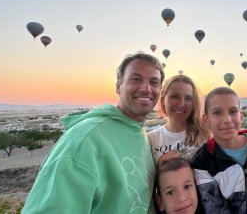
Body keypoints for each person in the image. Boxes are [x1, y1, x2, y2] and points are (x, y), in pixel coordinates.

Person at [22, 52, 165, 214]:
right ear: (118, 86)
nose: (146, 88)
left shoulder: (139, 133)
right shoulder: (85, 139)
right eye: (136, 79)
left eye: (154, 82)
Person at [147, 75, 211, 165]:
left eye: (188, 98)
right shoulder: (151, 139)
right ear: (163, 100)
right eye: (174, 96)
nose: (181, 104)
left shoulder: (207, 134)